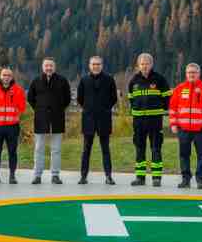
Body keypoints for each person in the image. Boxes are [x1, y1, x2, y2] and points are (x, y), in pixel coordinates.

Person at [169, 63, 202, 189]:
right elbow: (173, 108)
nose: (191, 74)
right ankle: (186, 179)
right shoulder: (179, 89)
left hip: (201, 129)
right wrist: (173, 124)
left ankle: (200, 179)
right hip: (183, 129)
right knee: (184, 155)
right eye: (189, 72)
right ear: (186, 74)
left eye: (194, 72)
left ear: (198, 74)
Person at [128, 53, 172, 187]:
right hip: (138, 121)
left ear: (151, 64)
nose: (144, 66)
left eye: (147, 63)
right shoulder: (133, 81)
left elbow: (167, 99)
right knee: (139, 148)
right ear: (138, 65)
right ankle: (140, 178)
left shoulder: (160, 79)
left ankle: (156, 178)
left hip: (155, 121)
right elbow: (131, 99)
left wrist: (160, 111)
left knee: (156, 148)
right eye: (142, 64)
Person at [27, 57, 71, 184]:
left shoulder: (62, 81)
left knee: (56, 149)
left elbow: (67, 99)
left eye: (51, 66)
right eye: (46, 66)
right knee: (39, 148)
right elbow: (30, 98)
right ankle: (37, 175)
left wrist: (58, 109)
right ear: (43, 67)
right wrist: (40, 109)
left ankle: (55, 175)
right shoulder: (36, 81)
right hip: (41, 120)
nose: (49, 68)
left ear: (54, 67)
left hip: (57, 119)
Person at [76, 56, 118, 185]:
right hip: (88, 119)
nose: (96, 66)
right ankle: (83, 176)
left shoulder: (109, 80)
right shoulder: (84, 80)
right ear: (89, 65)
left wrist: (105, 109)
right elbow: (79, 98)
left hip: (104, 119)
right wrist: (89, 108)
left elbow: (114, 98)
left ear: (102, 65)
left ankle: (108, 176)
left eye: (98, 64)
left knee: (105, 149)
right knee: (86, 149)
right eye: (93, 64)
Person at [0, 67, 26, 184]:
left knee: (12, 151)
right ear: (0, 76)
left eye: (8, 75)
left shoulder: (18, 90)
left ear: (12, 77)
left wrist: (15, 112)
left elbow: (22, 106)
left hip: (12, 126)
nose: (6, 77)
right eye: (4, 75)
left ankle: (12, 176)